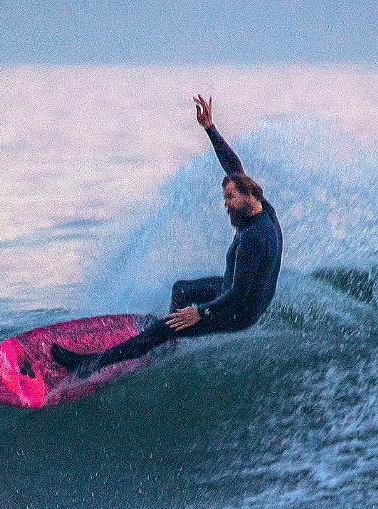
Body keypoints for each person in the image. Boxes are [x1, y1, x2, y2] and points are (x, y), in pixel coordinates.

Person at [51, 95, 283, 378]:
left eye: (230, 198)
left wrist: (200, 313)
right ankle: (168, 342)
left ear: (249, 195)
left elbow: (237, 297)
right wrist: (210, 128)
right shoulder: (263, 208)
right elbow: (233, 166)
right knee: (181, 290)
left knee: (164, 326)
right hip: (234, 292)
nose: (225, 204)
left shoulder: (253, 240)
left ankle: (87, 366)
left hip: (239, 312)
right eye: (225, 197)